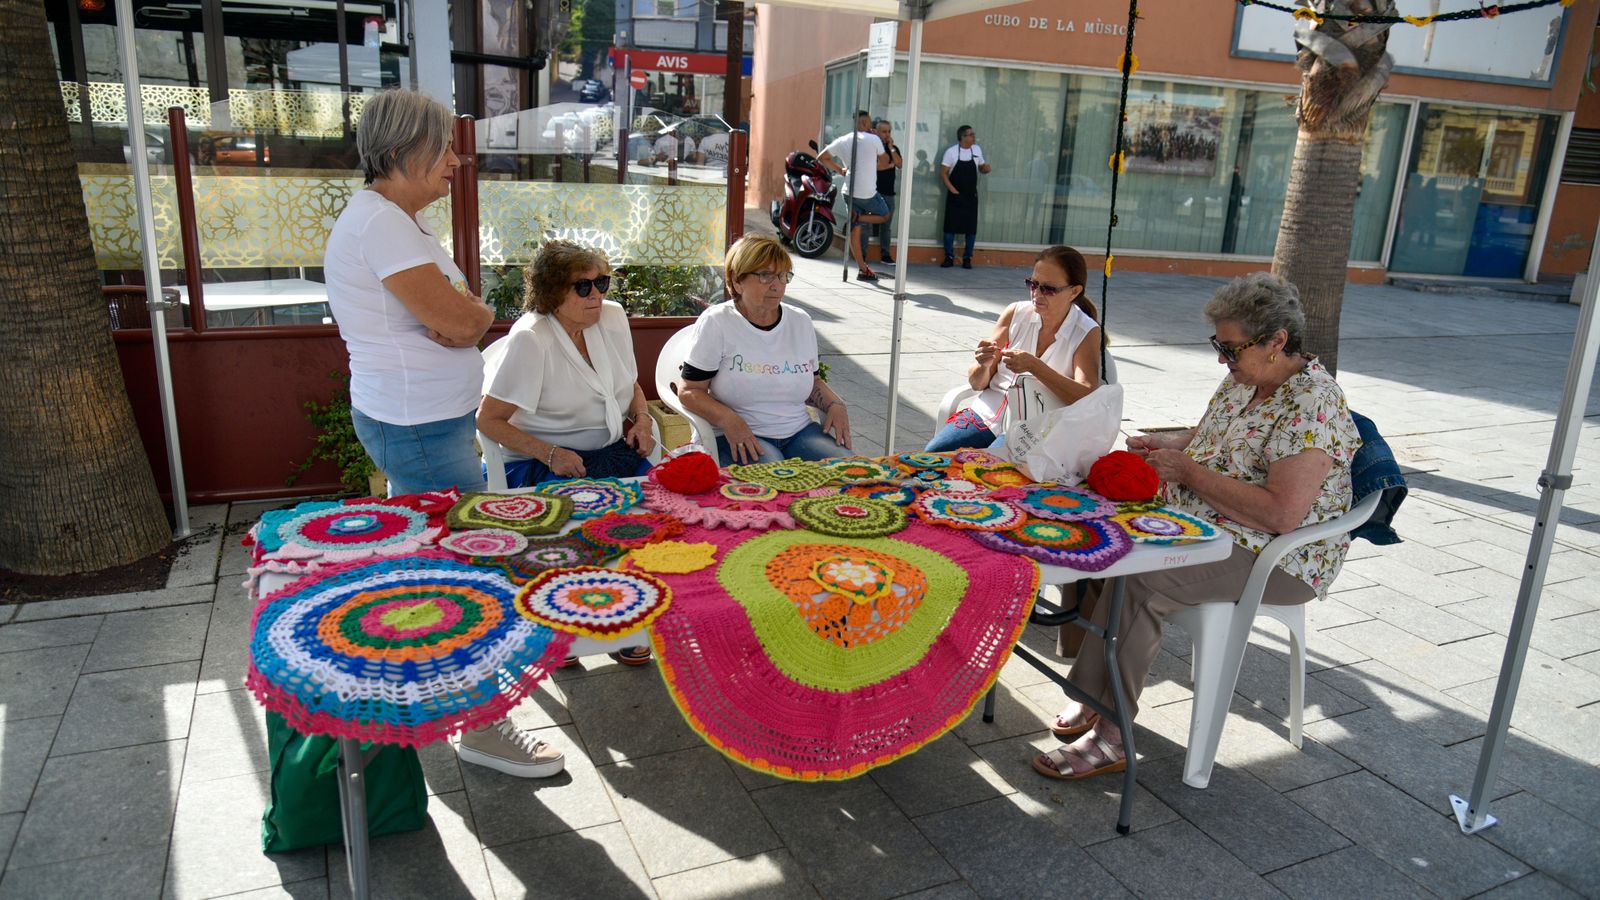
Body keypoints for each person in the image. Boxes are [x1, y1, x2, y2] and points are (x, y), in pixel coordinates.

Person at [1034, 272, 1360, 781]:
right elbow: (1212, 435)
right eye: (1218, 345)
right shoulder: (1246, 378)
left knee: (1141, 579)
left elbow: (1281, 514)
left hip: (1276, 554)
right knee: (1101, 539)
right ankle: (1092, 692)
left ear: (1277, 341)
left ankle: (1112, 733)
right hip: (1207, 521)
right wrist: (1168, 445)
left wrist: (1188, 472)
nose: (1222, 360)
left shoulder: (1312, 404)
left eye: (1231, 349)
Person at [325, 89, 563, 779]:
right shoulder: (384, 225)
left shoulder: (396, 221)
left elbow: (462, 317)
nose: (457, 162)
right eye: (445, 148)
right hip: (419, 426)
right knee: (464, 570)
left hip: (423, 420)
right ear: (403, 151)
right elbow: (463, 321)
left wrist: (466, 316)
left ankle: (423, 692)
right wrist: (469, 318)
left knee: (433, 561)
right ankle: (482, 725)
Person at [478, 240, 656, 488]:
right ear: (553, 293)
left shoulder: (612, 318)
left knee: (665, 501)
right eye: (583, 287)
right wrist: (550, 454)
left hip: (612, 456)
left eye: (601, 283)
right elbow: (487, 420)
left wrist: (643, 421)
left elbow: (630, 384)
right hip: (542, 464)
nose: (596, 294)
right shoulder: (531, 339)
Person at [678, 235, 852, 466]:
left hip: (799, 431)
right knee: (774, 476)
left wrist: (835, 404)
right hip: (737, 434)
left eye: (783, 275)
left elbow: (813, 381)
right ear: (737, 281)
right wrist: (729, 420)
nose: (777, 285)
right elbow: (689, 391)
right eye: (765, 275)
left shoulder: (800, 321)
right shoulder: (718, 322)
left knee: (851, 470)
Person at [925, 246, 1102, 452]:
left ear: (1074, 291)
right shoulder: (1016, 312)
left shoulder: (1085, 331)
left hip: (1035, 427)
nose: (1036, 294)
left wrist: (1036, 367)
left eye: (1048, 289)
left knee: (990, 465)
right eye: (1032, 284)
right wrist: (984, 365)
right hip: (987, 413)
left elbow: (1087, 396)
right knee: (932, 456)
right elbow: (976, 383)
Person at [818, 110, 891, 282]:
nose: (872, 126)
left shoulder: (843, 140)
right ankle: (859, 217)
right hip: (867, 192)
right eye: (870, 123)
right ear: (865, 123)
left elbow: (822, 157)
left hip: (849, 191)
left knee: (855, 231)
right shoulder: (873, 139)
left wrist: (840, 170)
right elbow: (885, 162)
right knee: (885, 215)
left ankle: (862, 269)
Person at [939, 124, 991, 269]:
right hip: (955, 195)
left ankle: (967, 258)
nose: (974, 137)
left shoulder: (977, 150)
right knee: (950, 227)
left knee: (971, 229)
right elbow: (943, 173)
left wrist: (985, 168)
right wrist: (953, 191)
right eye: (971, 134)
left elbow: (981, 167)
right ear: (963, 137)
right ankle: (949, 257)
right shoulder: (951, 152)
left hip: (971, 195)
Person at [860, 117, 903, 266]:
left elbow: (899, 164)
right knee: (866, 225)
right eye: (884, 131)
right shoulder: (871, 148)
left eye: (889, 131)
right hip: (872, 193)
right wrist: (889, 165)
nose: (887, 134)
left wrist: (891, 148)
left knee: (886, 227)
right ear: (876, 132)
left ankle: (885, 255)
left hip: (888, 194)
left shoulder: (893, 149)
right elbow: (875, 167)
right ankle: (862, 255)